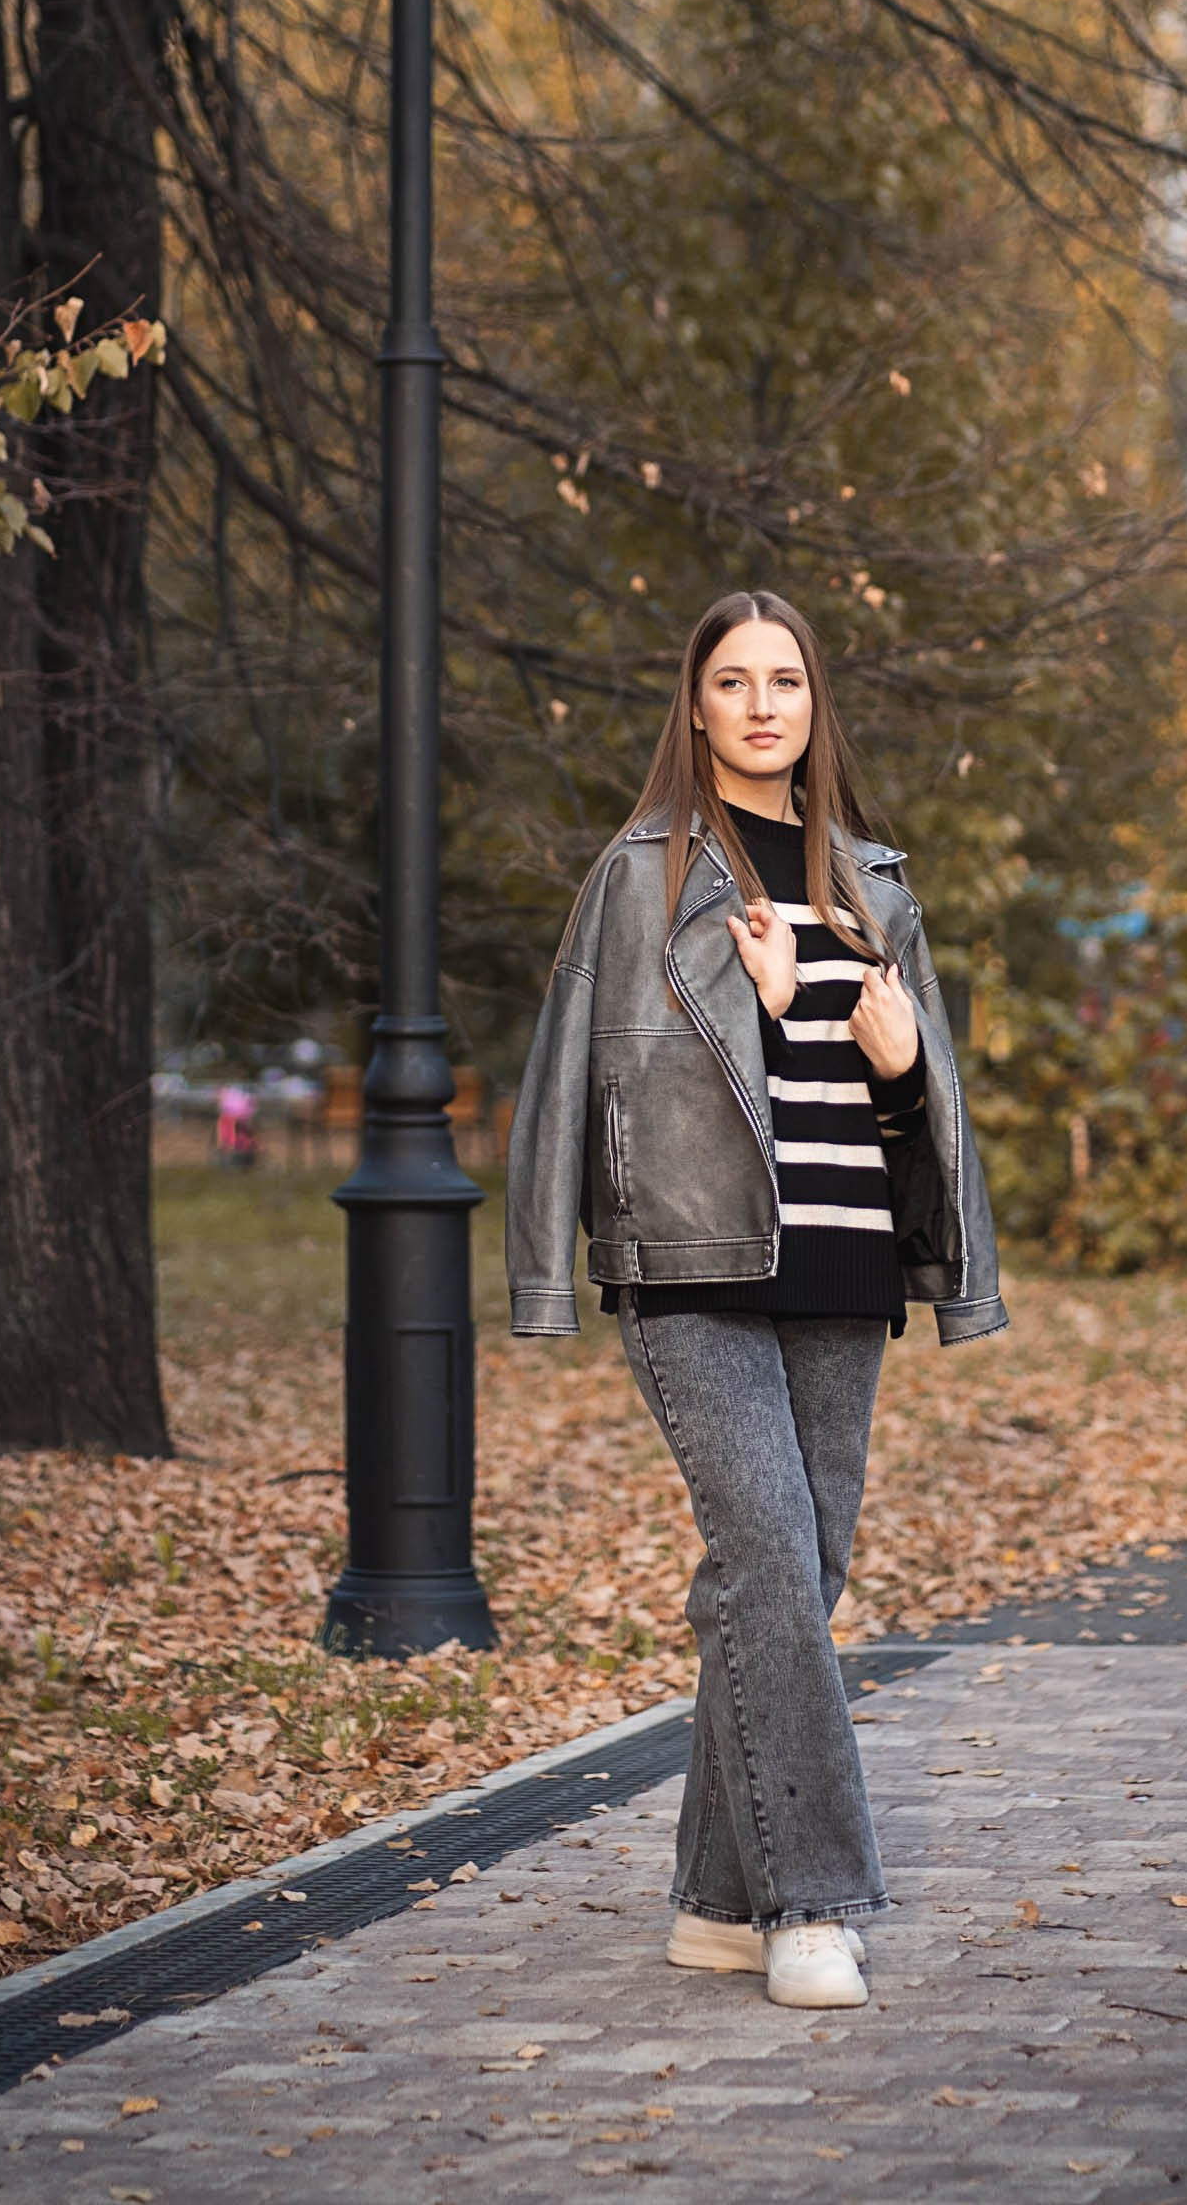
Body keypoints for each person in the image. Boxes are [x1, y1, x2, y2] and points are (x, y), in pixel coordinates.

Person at [506, 588, 1007, 2011]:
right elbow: (582, 1077)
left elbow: (925, 1110)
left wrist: (899, 1060)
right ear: (698, 705)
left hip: (844, 1274)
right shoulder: (643, 875)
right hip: (691, 1275)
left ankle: (717, 1903)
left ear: (813, 703)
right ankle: (812, 1906)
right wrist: (553, 1270)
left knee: (789, 1578)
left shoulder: (873, 883)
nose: (765, 704)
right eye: (735, 681)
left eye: (786, 679)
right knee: (776, 1568)